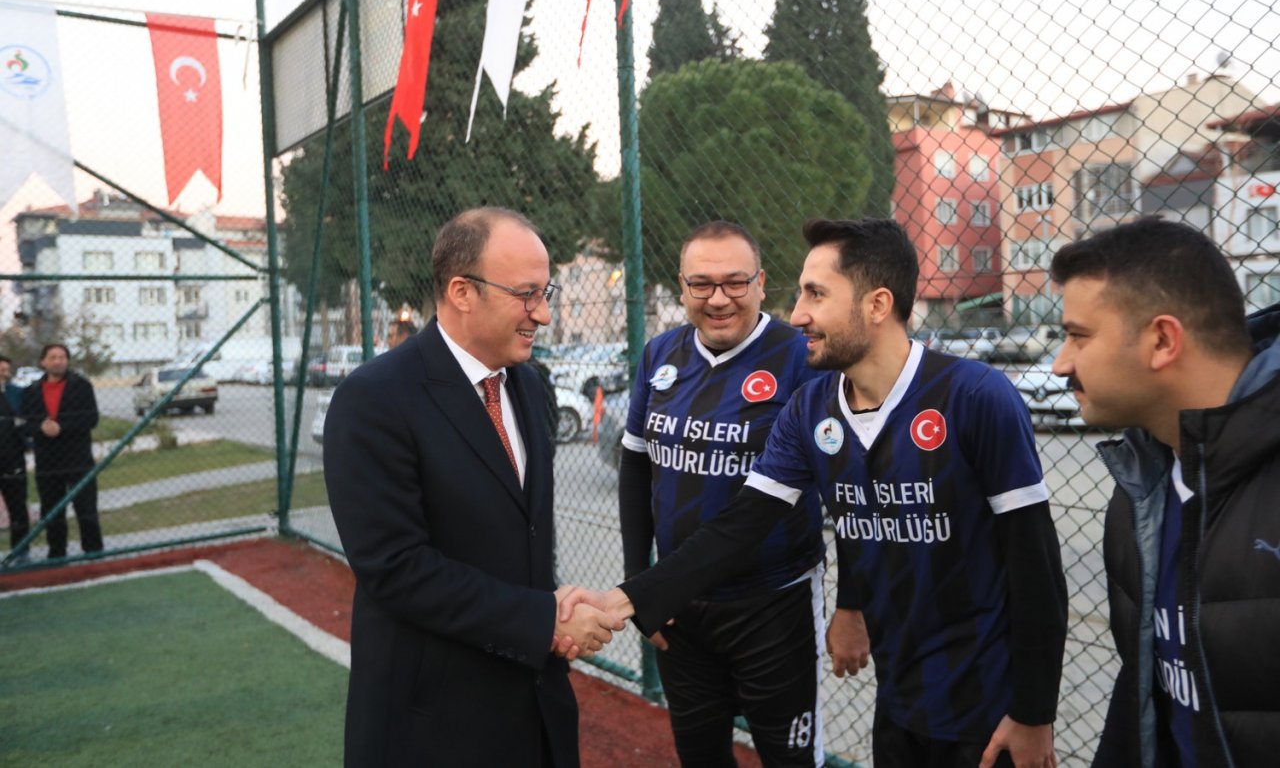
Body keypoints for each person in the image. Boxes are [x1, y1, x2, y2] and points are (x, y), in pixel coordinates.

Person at [573, 218, 1068, 768]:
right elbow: (741, 526)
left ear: (877, 305)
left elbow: (1037, 568)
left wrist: (1033, 711)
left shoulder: (976, 396)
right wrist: (630, 599)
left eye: (815, 294)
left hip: (988, 708)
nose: (798, 314)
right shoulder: (812, 409)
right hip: (898, 699)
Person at [323, 207, 620, 768]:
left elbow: (526, 536)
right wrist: (543, 620)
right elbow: (397, 568)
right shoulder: (375, 400)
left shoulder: (531, 388)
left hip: (534, 706)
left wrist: (555, 611)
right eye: (527, 294)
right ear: (462, 291)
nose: (545, 313)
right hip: (433, 725)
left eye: (546, 292)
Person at [619, 220, 857, 767]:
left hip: (774, 600)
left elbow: (848, 492)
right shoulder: (660, 355)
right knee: (701, 756)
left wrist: (852, 603)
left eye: (735, 283)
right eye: (701, 284)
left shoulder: (803, 358)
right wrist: (642, 581)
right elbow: (635, 466)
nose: (718, 299)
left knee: (790, 759)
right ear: (681, 287)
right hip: (681, 605)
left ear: (761, 282)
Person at [1048, 218, 1280, 767]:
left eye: (1079, 336)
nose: (1061, 364)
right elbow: (1147, 696)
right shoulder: (1140, 489)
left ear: (1161, 340)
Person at [21, 343, 101, 560]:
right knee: (52, 511)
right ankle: (57, 554)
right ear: (43, 362)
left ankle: (93, 553)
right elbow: (25, 424)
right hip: (47, 461)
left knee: (86, 510)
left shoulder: (81, 385)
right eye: (53, 357)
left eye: (62, 357)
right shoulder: (31, 391)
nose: (58, 361)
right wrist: (40, 427)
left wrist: (61, 427)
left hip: (78, 458)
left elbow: (91, 418)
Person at [0, 356, 29, 561]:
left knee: (17, 506)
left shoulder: (17, 393)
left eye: (5, 370)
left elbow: (26, 421)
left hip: (13, 459)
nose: (3, 373)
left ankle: (20, 551)